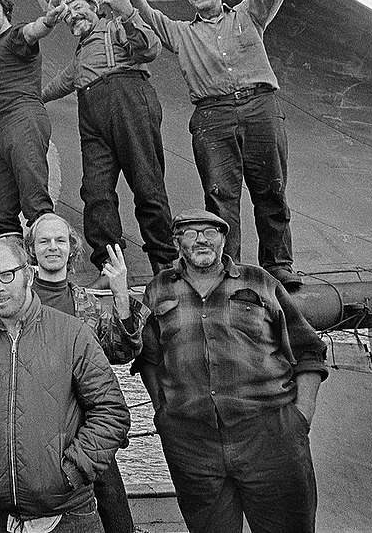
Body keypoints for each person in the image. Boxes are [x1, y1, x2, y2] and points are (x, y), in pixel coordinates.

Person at [105, 0, 303, 289]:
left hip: (261, 107)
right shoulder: (181, 34)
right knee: (220, 198)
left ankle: (278, 267)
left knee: (271, 190)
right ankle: (230, 272)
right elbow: (147, 14)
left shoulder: (250, 14)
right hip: (212, 116)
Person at [133, 209, 327, 533]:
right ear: (177, 241)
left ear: (224, 239)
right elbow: (148, 358)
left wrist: (300, 417)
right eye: (191, 233)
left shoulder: (259, 281)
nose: (202, 240)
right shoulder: (159, 289)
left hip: (270, 434)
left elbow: (308, 349)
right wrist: (163, 414)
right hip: (193, 444)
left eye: (211, 232)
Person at [0, 237, 131, 533]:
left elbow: (111, 411)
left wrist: (73, 470)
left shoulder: (72, 334)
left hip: (70, 515)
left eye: (7, 275)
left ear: (28, 275)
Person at [43, 0, 177, 282]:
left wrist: (127, 11)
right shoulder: (79, 58)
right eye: (68, 16)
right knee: (95, 191)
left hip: (128, 97)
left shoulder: (116, 25)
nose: (73, 17)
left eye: (79, 9)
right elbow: (56, 86)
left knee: (146, 183)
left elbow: (150, 48)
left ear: (95, 7)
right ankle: (110, 268)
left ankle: (166, 265)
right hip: (91, 112)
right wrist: (29, 99)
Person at [25, 212, 146, 533]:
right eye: (44, 241)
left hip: (90, 432)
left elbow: (123, 351)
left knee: (117, 521)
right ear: (32, 250)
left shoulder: (86, 303)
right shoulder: (20, 303)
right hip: (36, 435)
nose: (53, 247)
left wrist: (122, 293)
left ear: (71, 249)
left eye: (60, 240)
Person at [0, 0, 68, 241]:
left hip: (24, 118)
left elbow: (32, 32)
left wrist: (47, 21)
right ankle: (15, 268)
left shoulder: (14, 37)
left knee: (35, 200)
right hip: (5, 132)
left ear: (5, 10)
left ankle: (53, 273)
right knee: (0, 212)